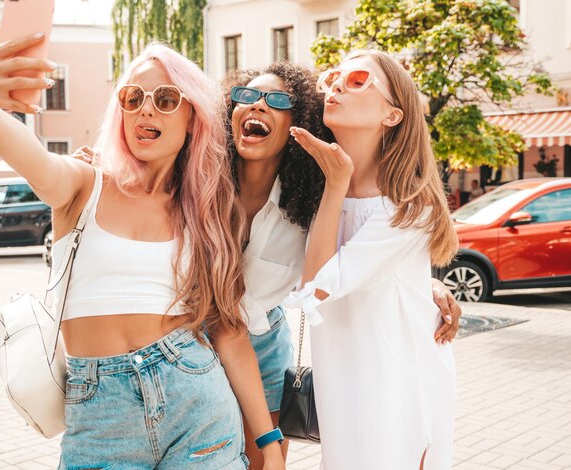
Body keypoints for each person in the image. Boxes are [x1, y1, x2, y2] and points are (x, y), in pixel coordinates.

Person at [73, 60, 462, 469]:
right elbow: (145, 166)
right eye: (246, 97)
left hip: (262, 346)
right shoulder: (196, 181)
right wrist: (103, 169)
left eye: (276, 101)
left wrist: (422, 286)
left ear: (299, 123)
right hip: (181, 348)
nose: (258, 106)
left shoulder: (313, 198)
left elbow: (350, 252)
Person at [0, 35, 285, 470]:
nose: (146, 108)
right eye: (133, 97)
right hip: (100, 414)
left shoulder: (206, 212)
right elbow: (37, 163)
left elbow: (229, 331)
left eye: (166, 98)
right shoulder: (83, 185)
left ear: (192, 118)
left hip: (197, 406)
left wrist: (267, 439)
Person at [286, 49, 460, 469]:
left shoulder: (409, 206)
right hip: (342, 379)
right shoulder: (312, 181)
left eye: (359, 79)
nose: (337, 86)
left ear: (393, 115)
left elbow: (318, 287)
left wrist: (336, 184)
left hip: (396, 384)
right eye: (331, 78)